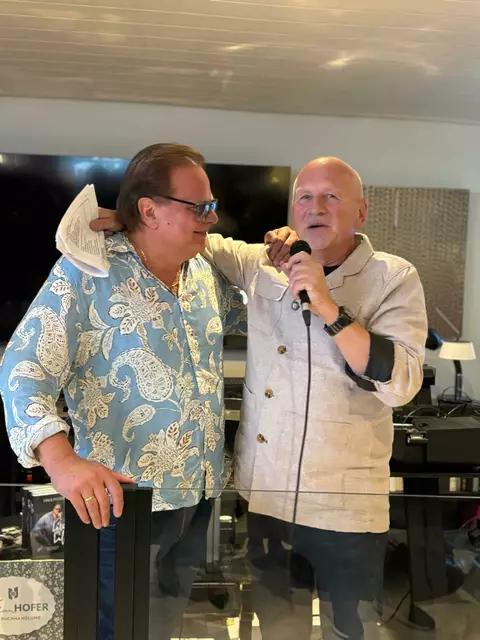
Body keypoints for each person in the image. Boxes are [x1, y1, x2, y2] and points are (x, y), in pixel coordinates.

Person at [76, 155, 428, 639]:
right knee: (277, 629)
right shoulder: (263, 266)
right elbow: (196, 236)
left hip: (345, 507)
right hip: (268, 504)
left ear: (361, 212)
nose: (315, 207)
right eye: (304, 197)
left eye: (331, 197)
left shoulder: (393, 277)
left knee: (353, 631)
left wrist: (328, 306)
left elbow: (402, 383)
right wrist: (138, 219)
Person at [0, 142, 295, 640]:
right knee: (114, 628)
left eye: (212, 205)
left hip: (197, 496)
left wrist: (283, 258)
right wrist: (61, 461)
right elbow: (23, 368)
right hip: (122, 505)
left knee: (160, 627)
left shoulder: (203, 275)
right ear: (149, 210)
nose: (212, 217)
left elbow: (267, 317)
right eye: (199, 206)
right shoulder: (87, 273)